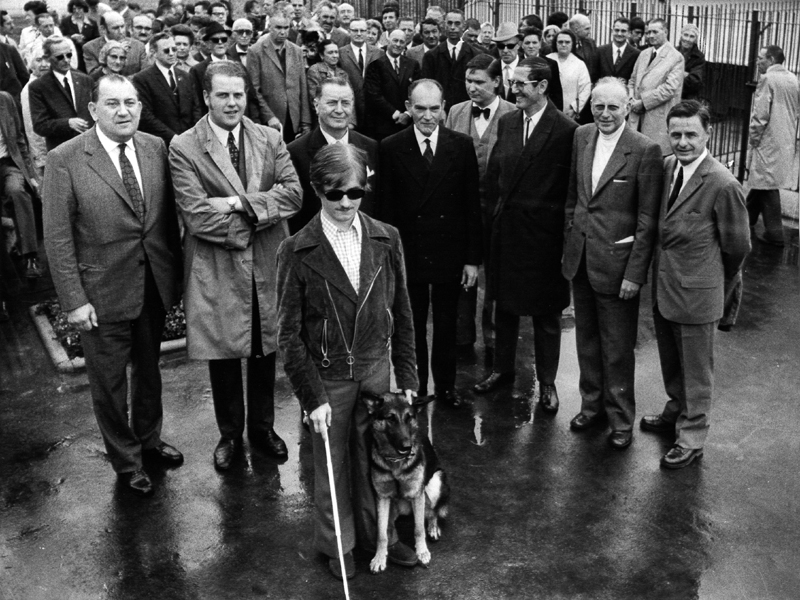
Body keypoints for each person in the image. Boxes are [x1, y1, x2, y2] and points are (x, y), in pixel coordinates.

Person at [277, 143, 419, 580]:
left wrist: (408, 372)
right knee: (333, 464)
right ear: (317, 190)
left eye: (354, 193)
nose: (344, 203)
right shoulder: (297, 250)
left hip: (377, 372)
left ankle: (384, 537)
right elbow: (288, 334)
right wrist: (312, 396)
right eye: (334, 193)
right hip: (329, 379)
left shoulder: (386, 237)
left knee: (379, 461)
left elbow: (404, 308)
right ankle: (337, 545)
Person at [43, 73, 184, 496]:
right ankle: (126, 460)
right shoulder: (65, 158)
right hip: (100, 294)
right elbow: (58, 236)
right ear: (92, 110)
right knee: (108, 383)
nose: (123, 111)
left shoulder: (155, 147)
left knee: (149, 373)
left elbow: (167, 218)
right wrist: (74, 300)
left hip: (152, 286)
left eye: (131, 103)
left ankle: (149, 440)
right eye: (112, 104)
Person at [169, 61, 302, 470]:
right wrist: (259, 216)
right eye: (223, 95)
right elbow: (195, 215)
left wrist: (235, 202)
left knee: (265, 347)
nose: (232, 102)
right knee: (224, 353)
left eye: (238, 94)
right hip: (218, 264)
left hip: (266, 261)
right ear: (207, 97)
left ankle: (262, 428)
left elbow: (294, 194)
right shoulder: (185, 145)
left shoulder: (269, 137)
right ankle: (230, 435)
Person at [640, 100, 750, 469]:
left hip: (698, 294)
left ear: (708, 134)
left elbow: (738, 247)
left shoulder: (722, 183)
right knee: (672, 361)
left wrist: (713, 280)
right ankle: (676, 410)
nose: (683, 142)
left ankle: (692, 436)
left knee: (697, 371)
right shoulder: (668, 166)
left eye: (691, 134)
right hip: (666, 287)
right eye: (676, 134)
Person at [562, 77, 662, 449]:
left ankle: (620, 418)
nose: (605, 114)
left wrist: (635, 273)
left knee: (617, 348)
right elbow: (575, 196)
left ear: (628, 106)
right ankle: (592, 406)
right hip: (582, 258)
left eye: (613, 107)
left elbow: (647, 220)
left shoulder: (644, 150)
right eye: (598, 106)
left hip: (618, 266)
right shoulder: (581, 136)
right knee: (587, 341)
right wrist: (571, 240)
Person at [476, 57, 578, 412]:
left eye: (520, 83)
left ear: (542, 87)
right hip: (506, 235)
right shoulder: (506, 123)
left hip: (543, 241)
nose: (512, 89)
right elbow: (493, 179)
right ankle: (501, 370)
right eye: (513, 83)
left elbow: (569, 192)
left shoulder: (566, 130)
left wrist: (562, 241)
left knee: (546, 316)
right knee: (503, 308)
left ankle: (547, 383)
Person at [379, 79, 482, 407]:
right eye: (420, 108)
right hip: (409, 253)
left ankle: (447, 387)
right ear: (408, 107)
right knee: (411, 325)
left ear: (444, 107)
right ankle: (417, 387)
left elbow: (471, 207)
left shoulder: (461, 145)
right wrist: (389, 261)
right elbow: (385, 210)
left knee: (448, 324)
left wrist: (471, 259)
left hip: (449, 252)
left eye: (434, 108)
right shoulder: (391, 146)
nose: (427, 116)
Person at [445, 54, 515, 353]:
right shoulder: (456, 112)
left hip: (499, 210)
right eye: (468, 81)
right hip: (463, 211)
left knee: (496, 278)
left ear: (497, 82)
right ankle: (462, 340)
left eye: (479, 82)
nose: (471, 87)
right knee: (464, 273)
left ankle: (496, 342)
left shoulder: (513, 115)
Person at [287, 77, 377, 234]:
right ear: (316, 105)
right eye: (332, 103)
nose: (340, 110)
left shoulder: (371, 147)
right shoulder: (295, 152)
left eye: (346, 103)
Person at [746, 44, 799, 247]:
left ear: (770, 60)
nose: (757, 61)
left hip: (768, 140)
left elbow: (760, 115)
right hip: (785, 140)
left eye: (760, 58)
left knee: (767, 184)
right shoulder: (793, 78)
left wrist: (754, 139)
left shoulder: (767, 79)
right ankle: (745, 220)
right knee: (762, 182)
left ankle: (775, 233)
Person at [247, 9, 311, 142]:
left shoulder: (296, 51)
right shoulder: (255, 52)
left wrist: (305, 121)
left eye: (286, 27)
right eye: (278, 27)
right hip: (270, 120)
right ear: (270, 27)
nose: (282, 32)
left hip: (293, 118)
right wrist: (268, 116)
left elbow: (302, 87)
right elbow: (254, 90)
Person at [0, 91, 42, 279]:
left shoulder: (5, 100)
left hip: (8, 163)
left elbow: (18, 139)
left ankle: (30, 256)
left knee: (17, 192)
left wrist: (31, 174)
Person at [627, 18, 684, 156]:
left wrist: (643, 103)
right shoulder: (644, 54)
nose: (650, 36)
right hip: (636, 117)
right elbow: (633, 80)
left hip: (656, 120)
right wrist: (630, 98)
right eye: (648, 32)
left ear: (665, 32)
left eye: (655, 32)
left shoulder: (676, 57)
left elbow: (669, 89)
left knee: (653, 159)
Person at [29, 36, 94, 151]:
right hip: (61, 150)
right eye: (60, 57)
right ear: (48, 58)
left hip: (89, 147)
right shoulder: (38, 87)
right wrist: (67, 123)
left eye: (69, 55)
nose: (66, 60)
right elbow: (40, 126)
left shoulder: (85, 80)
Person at [132, 32, 194, 145]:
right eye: (166, 50)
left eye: (174, 49)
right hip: (160, 142)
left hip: (189, 140)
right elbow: (146, 115)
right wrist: (173, 137)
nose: (171, 54)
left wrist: (192, 134)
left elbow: (195, 108)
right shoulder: (142, 79)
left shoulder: (185, 76)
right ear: (154, 53)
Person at [421, 9, 483, 113]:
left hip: (468, 111)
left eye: (457, 23)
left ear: (464, 27)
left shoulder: (475, 55)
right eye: (449, 23)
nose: (453, 27)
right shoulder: (431, 56)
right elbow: (428, 88)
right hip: (441, 112)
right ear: (444, 25)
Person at [364, 29, 420, 141]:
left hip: (407, 123)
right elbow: (373, 95)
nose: (398, 44)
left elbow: (417, 91)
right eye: (395, 40)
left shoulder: (412, 64)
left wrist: (408, 114)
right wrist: (395, 114)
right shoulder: (375, 65)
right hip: (383, 123)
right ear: (388, 41)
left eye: (402, 42)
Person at [337, 19, 381, 130]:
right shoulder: (341, 53)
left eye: (362, 30)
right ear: (349, 31)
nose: (359, 33)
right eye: (355, 30)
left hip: (374, 107)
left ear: (367, 31)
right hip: (352, 106)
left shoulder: (378, 52)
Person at [83, 11, 148, 76]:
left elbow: (144, 74)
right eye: (115, 28)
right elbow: (93, 77)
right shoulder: (90, 47)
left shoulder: (138, 46)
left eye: (122, 26)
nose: (121, 31)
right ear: (103, 29)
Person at [547, 28, 589, 121]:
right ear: (555, 43)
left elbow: (585, 89)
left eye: (567, 42)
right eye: (560, 42)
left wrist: (574, 108)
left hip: (569, 112)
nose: (563, 44)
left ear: (572, 44)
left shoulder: (579, 64)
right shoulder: (547, 60)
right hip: (548, 109)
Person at [20, 47, 49, 180]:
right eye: (38, 60)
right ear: (31, 64)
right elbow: (32, 130)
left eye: (47, 59)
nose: (43, 64)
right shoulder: (30, 90)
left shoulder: (49, 83)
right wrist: (41, 158)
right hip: (45, 155)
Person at [519, 27, 563, 110]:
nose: (531, 46)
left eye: (534, 42)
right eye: (527, 43)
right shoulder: (517, 63)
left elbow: (557, 94)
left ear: (540, 44)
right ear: (522, 45)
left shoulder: (551, 64)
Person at [306, 39, 349, 112]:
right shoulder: (315, 70)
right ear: (322, 55)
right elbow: (314, 98)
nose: (335, 56)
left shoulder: (342, 73)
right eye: (330, 53)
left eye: (336, 52)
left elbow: (349, 98)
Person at [593, 17, 639, 84]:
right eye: (617, 30)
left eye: (623, 31)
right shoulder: (600, 51)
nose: (619, 34)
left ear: (629, 33)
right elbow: (594, 77)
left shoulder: (636, 54)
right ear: (612, 31)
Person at [60, 0, 100, 73]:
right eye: (74, 9)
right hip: (72, 55)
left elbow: (96, 40)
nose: (77, 11)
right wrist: (71, 37)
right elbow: (61, 37)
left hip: (88, 56)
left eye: (79, 8)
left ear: (84, 9)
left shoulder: (92, 23)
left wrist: (82, 41)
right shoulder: (65, 22)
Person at [493, 22, 521, 103]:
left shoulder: (526, 67)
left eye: (510, 46)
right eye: (501, 46)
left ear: (518, 45)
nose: (505, 51)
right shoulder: (491, 67)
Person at [679, 23, 705, 100]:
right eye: (686, 35)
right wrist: (684, 74)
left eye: (692, 36)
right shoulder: (673, 51)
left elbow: (694, 81)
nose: (687, 39)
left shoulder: (699, 57)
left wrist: (675, 73)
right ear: (681, 36)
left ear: (696, 40)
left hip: (687, 97)